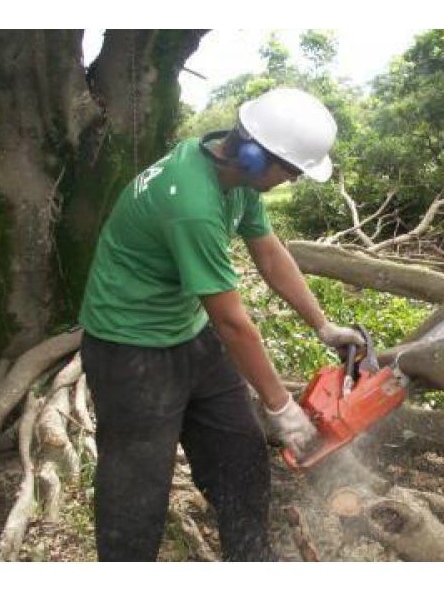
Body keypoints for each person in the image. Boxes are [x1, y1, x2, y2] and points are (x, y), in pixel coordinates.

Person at [78, 87, 365, 561]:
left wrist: (322, 325)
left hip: (188, 334)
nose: (289, 179)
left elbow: (270, 254)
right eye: (289, 170)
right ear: (255, 156)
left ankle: (249, 561)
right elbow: (233, 324)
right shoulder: (192, 201)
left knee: (240, 454)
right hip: (128, 349)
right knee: (137, 487)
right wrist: (280, 406)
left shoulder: (234, 177)